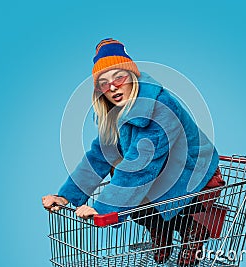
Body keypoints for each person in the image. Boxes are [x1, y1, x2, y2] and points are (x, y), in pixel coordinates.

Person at [42, 38, 224, 266]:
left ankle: (194, 229)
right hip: (164, 172)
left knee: (128, 182)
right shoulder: (117, 113)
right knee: (115, 167)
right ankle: (161, 227)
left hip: (194, 178)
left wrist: (103, 210)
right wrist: (66, 196)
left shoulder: (159, 108)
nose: (113, 87)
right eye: (103, 83)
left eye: (119, 77)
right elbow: (99, 156)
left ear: (132, 76)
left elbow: (140, 168)